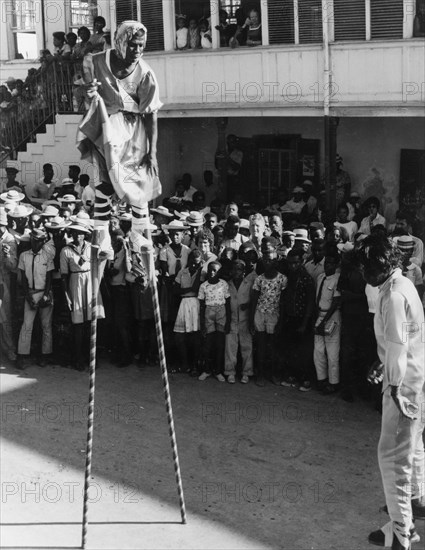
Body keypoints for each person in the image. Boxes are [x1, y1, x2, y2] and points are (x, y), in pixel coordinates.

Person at [357, 236, 425, 550]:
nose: (362, 272)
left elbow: (398, 344)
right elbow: (401, 340)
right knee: (410, 449)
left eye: (365, 266)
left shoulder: (394, 295)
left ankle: (402, 533)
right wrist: (383, 363)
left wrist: (394, 386)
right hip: (413, 378)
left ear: (381, 266)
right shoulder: (401, 285)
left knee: (392, 458)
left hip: (403, 387)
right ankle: (416, 501)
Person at [78, 20, 162, 255]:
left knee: (137, 182)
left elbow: (151, 116)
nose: (137, 51)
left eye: (141, 46)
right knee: (105, 180)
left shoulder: (145, 73)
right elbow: (86, 89)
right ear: (121, 42)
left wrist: (152, 152)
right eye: (133, 45)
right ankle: (102, 235)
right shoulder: (95, 61)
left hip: (134, 131)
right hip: (105, 126)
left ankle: (137, 234)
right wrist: (87, 91)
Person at [60, 220, 104, 370]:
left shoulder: (91, 248)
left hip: (90, 283)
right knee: (78, 325)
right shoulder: (66, 250)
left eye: (81, 233)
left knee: (91, 324)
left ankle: (91, 357)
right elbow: (64, 276)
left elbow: (100, 265)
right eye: (75, 232)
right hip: (75, 284)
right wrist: (67, 295)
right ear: (71, 233)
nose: (78, 235)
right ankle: (78, 358)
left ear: (85, 234)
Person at [250, 238, 287, 386]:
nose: (267, 262)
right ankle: (260, 374)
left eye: (270, 260)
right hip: (260, 313)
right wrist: (252, 318)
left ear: (276, 260)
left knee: (273, 346)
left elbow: (283, 301)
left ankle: (272, 374)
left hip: (274, 314)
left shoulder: (282, 279)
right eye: (265, 260)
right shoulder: (259, 279)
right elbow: (254, 299)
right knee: (261, 345)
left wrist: (281, 320)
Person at [17, 228, 54, 369]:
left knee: (46, 325)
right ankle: (22, 356)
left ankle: (45, 355)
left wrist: (45, 295)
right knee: (27, 325)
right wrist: (27, 296)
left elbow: (49, 277)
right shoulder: (24, 256)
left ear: (43, 241)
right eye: (33, 240)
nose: (36, 243)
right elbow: (24, 280)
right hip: (31, 294)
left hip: (44, 293)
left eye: (39, 241)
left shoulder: (47, 256)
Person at [280, 248, 315, 391]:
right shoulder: (289, 277)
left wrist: (305, 323)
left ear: (301, 262)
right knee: (291, 348)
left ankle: (305, 379)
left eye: (295, 263)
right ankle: (292, 376)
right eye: (290, 263)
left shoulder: (307, 279)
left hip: (302, 319)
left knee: (303, 350)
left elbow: (310, 303)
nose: (292, 266)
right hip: (291, 318)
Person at [313, 249, 341, 394]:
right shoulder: (321, 277)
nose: (327, 266)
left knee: (332, 352)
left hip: (331, 317)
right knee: (318, 350)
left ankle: (333, 383)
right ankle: (321, 379)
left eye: (331, 263)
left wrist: (324, 321)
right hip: (319, 314)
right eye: (326, 263)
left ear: (336, 264)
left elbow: (335, 302)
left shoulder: (337, 278)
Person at [223, 259, 256, 384]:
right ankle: (230, 372)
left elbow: (254, 300)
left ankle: (247, 372)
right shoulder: (227, 285)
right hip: (231, 319)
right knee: (230, 346)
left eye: (240, 269)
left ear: (244, 271)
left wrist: (247, 305)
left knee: (247, 346)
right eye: (235, 269)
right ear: (231, 271)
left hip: (245, 319)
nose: (237, 272)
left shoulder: (249, 283)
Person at [198, 261, 231, 381]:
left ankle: (218, 371)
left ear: (219, 272)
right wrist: (202, 323)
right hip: (209, 313)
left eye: (215, 271)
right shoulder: (204, 286)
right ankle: (206, 370)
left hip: (221, 312)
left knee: (220, 344)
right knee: (208, 344)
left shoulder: (223, 284)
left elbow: (227, 303)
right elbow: (201, 305)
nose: (212, 273)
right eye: (210, 270)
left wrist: (228, 321)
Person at [173, 249, 203, 376]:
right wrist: (189, 290)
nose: (194, 265)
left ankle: (195, 365)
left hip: (196, 303)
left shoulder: (201, 273)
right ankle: (184, 364)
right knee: (180, 337)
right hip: (184, 304)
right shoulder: (182, 272)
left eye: (197, 263)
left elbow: (197, 288)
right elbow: (175, 291)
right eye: (192, 261)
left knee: (195, 336)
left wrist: (200, 270)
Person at [0, 207, 18, 362]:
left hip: (3, 282)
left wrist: (7, 255)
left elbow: (13, 267)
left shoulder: (10, 240)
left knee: (5, 317)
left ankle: (9, 349)